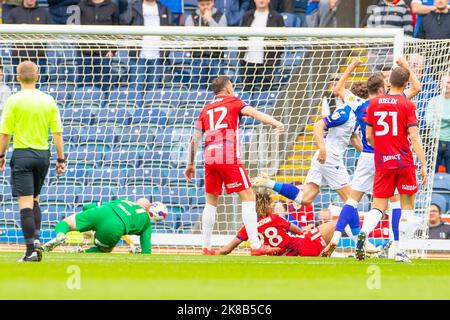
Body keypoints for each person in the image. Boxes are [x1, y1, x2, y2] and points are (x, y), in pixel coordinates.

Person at [321, 57, 421, 257]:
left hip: (367, 156)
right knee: (394, 204)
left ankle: (336, 237)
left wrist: (351, 65)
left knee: (352, 200)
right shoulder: (394, 102)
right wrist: (406, 67)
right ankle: (396, 247)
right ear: (383, 89)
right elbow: (416, 88)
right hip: (388, 156)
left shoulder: (360, 104)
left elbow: (338, 90)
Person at [184, 76, 285, 256]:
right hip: (227, 154)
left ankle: (206, 247)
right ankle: (256, 246)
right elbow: (254, 113)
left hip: (209, 156)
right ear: (228, 89)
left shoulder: (206, 109)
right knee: (248, 196)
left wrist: (190, 164)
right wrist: (276, 123)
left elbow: (195, 139)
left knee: (211, 201)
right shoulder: (234, 102)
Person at [356, 66, 428, 263]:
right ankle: (400, 252)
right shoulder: (407, 105)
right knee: (407, 208)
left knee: (378, 206)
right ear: (405, 84)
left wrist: (382, 148)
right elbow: (414, 136)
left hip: (382, 161)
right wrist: (423, 164)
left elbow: (369, 136)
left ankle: (364, 231)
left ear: (389, 82)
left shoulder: (374, 104)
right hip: (404, 162)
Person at [0, 61, 66, 262]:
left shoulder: (14, 100)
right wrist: (61, 159)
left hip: (23, 155)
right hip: (43, 156)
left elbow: (5, 133)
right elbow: (57, 133)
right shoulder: (48, 100)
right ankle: (35, 242)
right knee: (35, 199)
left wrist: (1, 156)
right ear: (38, 77)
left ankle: (30, 252)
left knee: (25, 205)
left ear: (18, 78)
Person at [213, 192, 338, 257]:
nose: (271, 206)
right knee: (338, 222)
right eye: (269, 203)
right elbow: (298, 230)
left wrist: (214, 252)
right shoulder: (274, 218)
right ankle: (350, 243)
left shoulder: (247, 228)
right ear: (264, 205)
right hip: (305, 244)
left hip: (290, 254)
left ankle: (325, 251)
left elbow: (228, 249)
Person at [42, 198, 155, 253]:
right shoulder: (146, 222)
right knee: (103, 250)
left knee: (66, 223)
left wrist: (86, 215)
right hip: (115, 226)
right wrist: (138, 252)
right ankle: (82, 251)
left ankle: (60, 235)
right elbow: (147, 252)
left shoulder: (124, 201)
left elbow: (87, 206)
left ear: (136, 202)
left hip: (104, 211)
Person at [239, 0, 284, 92]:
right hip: (248, 60)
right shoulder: (247, 16)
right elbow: (242, 38)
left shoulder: (277, 17)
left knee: (265, 93)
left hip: (268, 62)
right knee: (247, 91)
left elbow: (281, 41)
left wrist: (274, 57)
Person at [127, 0, 172, 90]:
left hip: (157, 55)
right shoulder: (133, 8)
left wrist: (165, 52)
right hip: (138, 54)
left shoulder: (164, 9)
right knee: (136, 86)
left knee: (153, 88)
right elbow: (124, 23)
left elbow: (169, 32)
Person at [5, 0, 54, 83]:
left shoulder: (44, 13)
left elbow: (52, 33)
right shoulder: (14, 12)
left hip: (39, 58)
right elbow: (7, 34)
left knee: (39, 86)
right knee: (19, 86)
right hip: (19, 57)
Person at [77, 0, 119, 90]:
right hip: (85, 52)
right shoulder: (82, 5)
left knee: (103, 84)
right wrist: (79, 47)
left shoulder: (112, 6)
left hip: (104, 53)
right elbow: (76, 27)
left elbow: (117, 30)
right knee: (85, 85)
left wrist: (113, 50)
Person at [185, 0, 227, 89]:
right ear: (198, 4)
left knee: (218, 89)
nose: (205, 7)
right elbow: (189, 38)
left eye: (208, 4)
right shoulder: (192, 17)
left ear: (213, 3)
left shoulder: (220, 16)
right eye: (202, 5)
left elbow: (222, 36)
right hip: (197, 58)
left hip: (216, 58)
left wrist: (210, 20)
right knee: (198, 88)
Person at [366, 0, 413, 71]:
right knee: (375, 80)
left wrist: (404, 52)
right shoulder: (376, 8)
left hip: (393, 54)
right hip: (376, 54)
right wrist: (369, 50)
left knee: (391, 80)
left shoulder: (405, 8)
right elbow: (369, 30)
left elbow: (408, 33)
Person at [426, 75, 450, 172]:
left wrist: (440, 118)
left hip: (449, 141)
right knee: (431, 172)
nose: (446, 85)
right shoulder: (433, 101)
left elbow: (435, 120)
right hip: (435, 140)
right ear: (440, 84)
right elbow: (429, 121)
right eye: (444, 82)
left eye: (449, 82)